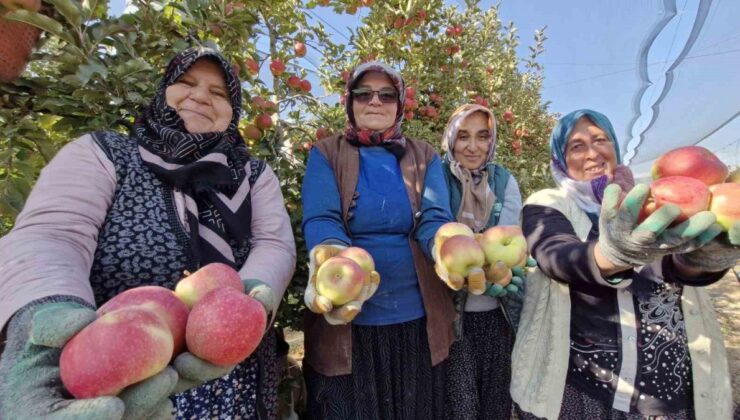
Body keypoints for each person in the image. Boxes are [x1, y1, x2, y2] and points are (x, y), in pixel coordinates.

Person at [0, 47, 296, 419]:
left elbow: (273, 242)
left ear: (233, 110)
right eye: (186, 83)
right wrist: (41, 308)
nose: (201, 96)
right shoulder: (105, 153)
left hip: (229, 369)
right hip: (109, 367)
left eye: (219, 93)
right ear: (163, 92)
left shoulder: (253, 174)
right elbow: (53, 233)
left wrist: (251, 300)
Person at [511, 109, 736, 420]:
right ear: (560, 159)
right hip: (586, 387)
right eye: (577, 146)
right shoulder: (548, 203)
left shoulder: (652, 201)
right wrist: (615, 254)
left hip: (667, 389)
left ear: (614, 147)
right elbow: (557, 258)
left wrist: (707, 256)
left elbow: (678, 268)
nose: (592, 152)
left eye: (601, 140)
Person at [300, 61, 455, 419]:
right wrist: (332, 255)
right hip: (351, 321)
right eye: (363, 93)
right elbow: (323, 217)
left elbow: (434, 217)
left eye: (387, 95)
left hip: (415, 319)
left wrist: (445, 246)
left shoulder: (424, 155)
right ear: (349, 101)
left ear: (399, 104)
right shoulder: (326, 153)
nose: (375, 102)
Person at [439, 104, 524, 420]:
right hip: (452, 318)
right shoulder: (438, 178)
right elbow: (435, 233)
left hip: (499, 316)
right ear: (450, 139)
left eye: (482, 136)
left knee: (496, 405)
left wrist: (494, 259)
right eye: (463, 136)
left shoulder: (503, 181)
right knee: (461, 407)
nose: (472, 146)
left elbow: (512, 237)